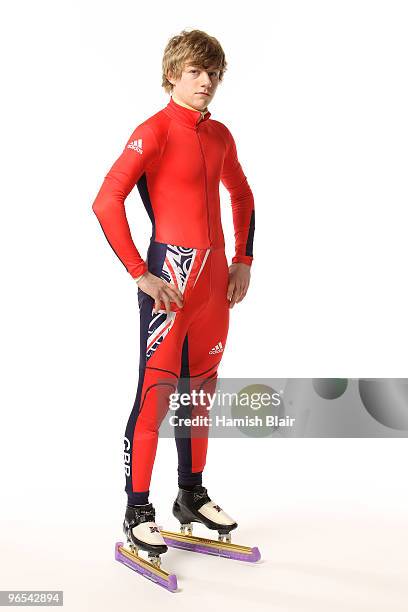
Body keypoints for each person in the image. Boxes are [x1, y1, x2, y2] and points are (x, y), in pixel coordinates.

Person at [92, 29, 255, 557]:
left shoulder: (219, 135)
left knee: (200, 394)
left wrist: (243, 262)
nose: (206, 81)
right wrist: (141, 272)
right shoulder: (155, 131)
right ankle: (137, 507)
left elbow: (243, 195)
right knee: (156, 395)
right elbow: (106, 201)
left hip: (214, 289)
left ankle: (191, 492)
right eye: (195, 72)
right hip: (172, 279)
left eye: (213, 73)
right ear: (172, 75)